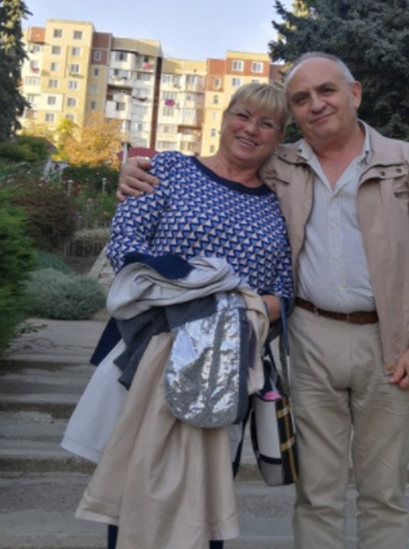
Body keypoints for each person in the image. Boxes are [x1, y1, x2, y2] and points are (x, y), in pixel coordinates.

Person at [119, 52, 409, 549]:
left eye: (327, 91)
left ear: (355, 93)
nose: (316, 105)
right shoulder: (281, 163)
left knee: (384, 495)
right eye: (301, 99)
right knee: (316, 494)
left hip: (391, 342)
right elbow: (215, 177)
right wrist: (137, 173)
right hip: (310, 340)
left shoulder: (405, 162)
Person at [64, 83, 294, 549]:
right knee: (135, 490)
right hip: (148, 351)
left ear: (279, 136)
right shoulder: (168, 169)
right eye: (243, 115)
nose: (251, 129)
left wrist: (245, 310)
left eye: (266, 123)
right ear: (224, 116)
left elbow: (284, 291)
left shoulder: (279, 204)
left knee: (208, 497)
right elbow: (126, 241)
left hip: (227, 366)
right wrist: (198, 293)